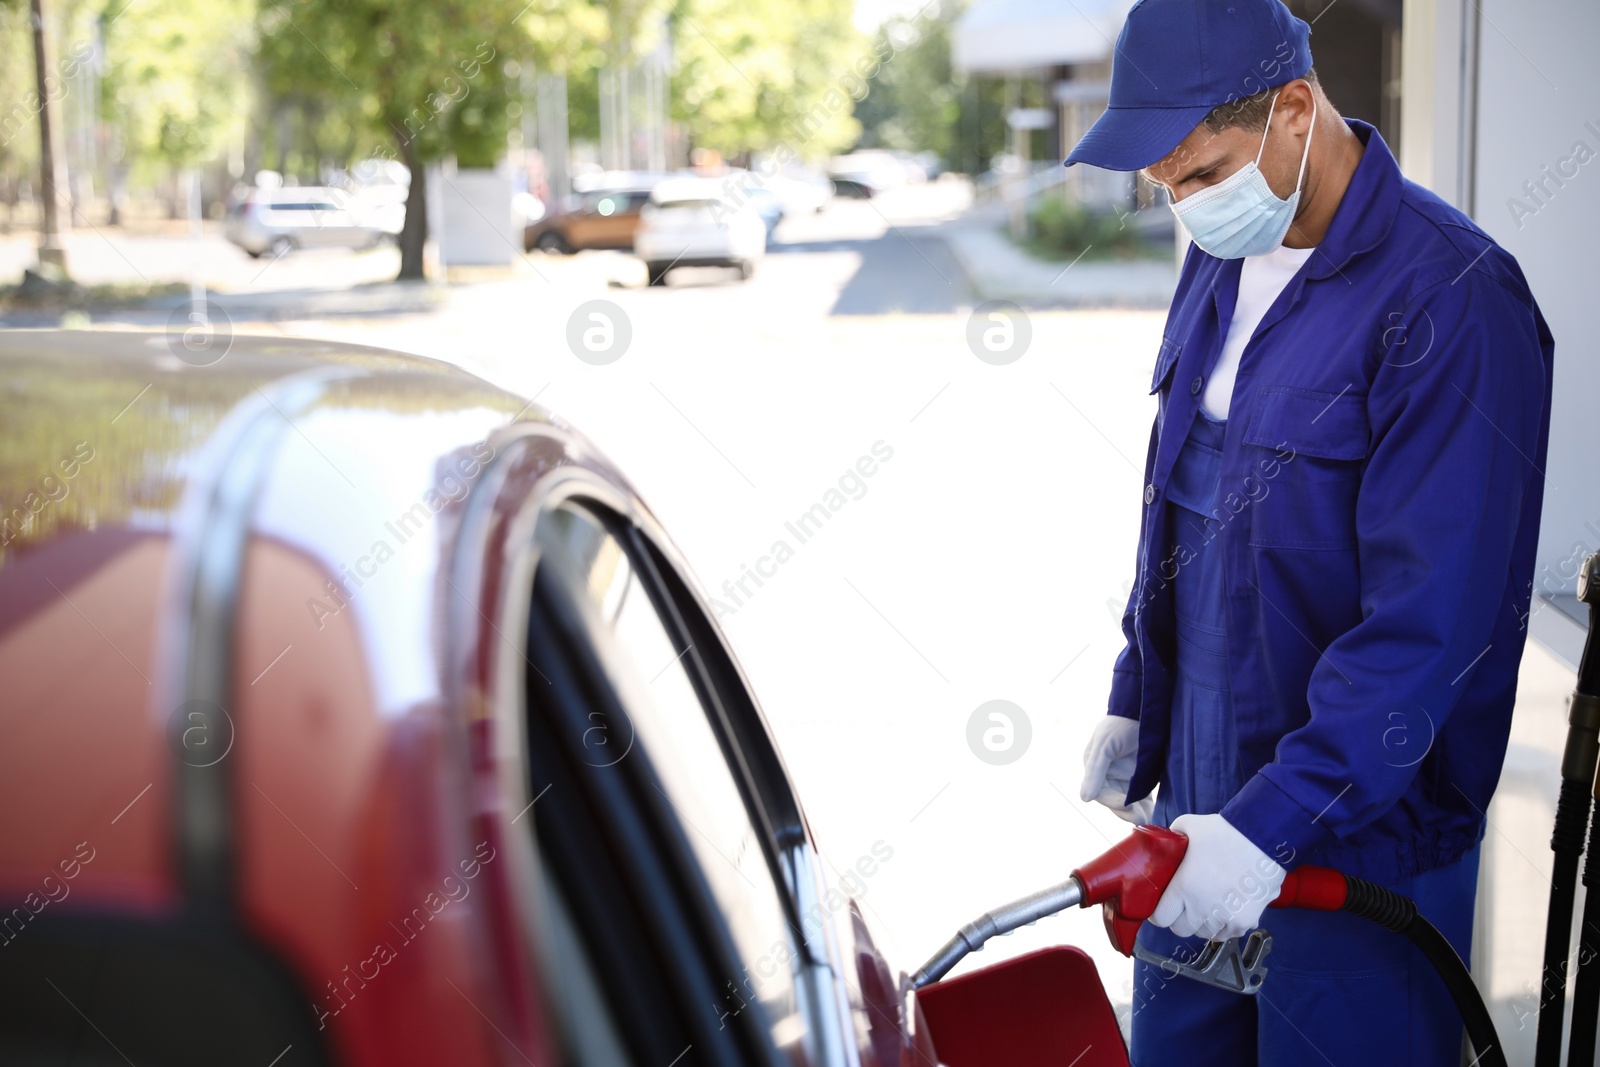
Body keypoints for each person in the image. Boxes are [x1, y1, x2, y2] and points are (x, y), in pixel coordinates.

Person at [1069, 0, 1554, 1061]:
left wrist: (1274, 821)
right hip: (1197, 816)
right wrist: (1132, 694)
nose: (1184, 206)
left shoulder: (1452, 300)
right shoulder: (1219, 258)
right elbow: (1180, 511)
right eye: (1162, 187)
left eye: (1200, 174)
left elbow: (1431, 621)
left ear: (1296, 106)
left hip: (1357, 832)